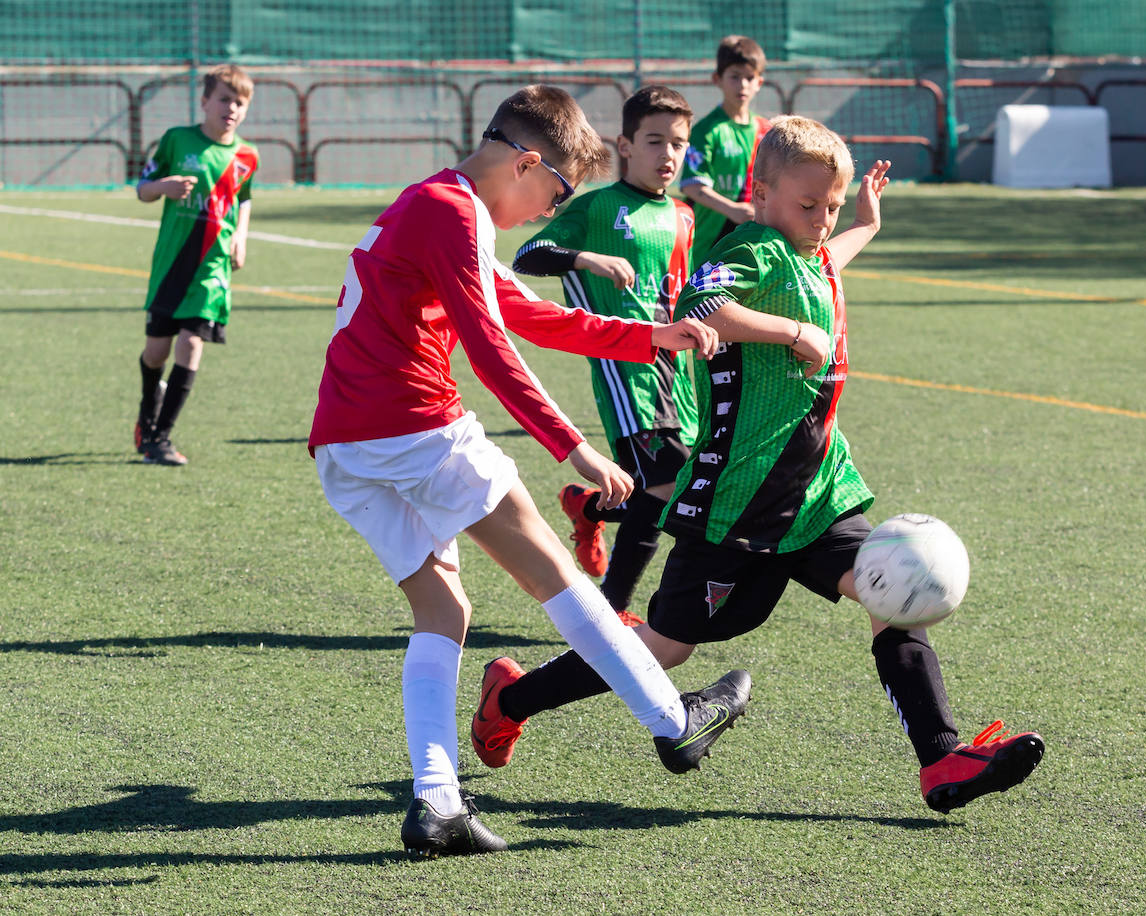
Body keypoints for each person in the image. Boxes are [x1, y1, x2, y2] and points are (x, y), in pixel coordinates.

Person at [472, 116, 1045, 815]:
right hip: (736, 504)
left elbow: (833, 254)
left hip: (816, 494)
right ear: (762, 190)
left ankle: (942, 760)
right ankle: (513, 697)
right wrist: (791, 330)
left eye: (830, 207)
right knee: (667, 646)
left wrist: (865, 221)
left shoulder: (812, 249)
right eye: (809, 206)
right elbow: (702, 302)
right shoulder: (758, 248)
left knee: (891, 595)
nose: (822, 221)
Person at [308, 85, 751, 858]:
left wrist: (654, 336)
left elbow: (534, 315)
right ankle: (674, 726)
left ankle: (438, 804)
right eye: (557, 189)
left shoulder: (442, 205)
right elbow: (489, 345)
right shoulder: (452, 213)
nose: (553, 208)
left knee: (444, 613)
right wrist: (571, 445)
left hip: (346, 446)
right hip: (414, 428)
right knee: (561, 578)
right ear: (526, 161)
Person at [511, 85, 696, 626]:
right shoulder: (597, 207)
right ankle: (608, 613)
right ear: (626, 145)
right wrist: (586, 258)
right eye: (655, 141)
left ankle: (589, 507)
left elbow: (683, 290)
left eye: (678, 144)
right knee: (666, 485)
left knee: (672, 490)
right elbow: (528, 254)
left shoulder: (683, 216)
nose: (667, 154)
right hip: (625, 372)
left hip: (676, 372)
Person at [133, 64, 258, 466]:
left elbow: (244, 199)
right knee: (156, 353)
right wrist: (164, 187)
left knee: (190, 343)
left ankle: (161, 439)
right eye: (224, 99)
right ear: (205, 102)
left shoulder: (247, 155)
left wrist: (240, 236)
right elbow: (143, 188)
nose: (231, 109)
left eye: (240, 103)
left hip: (212, 268)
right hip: (172, 264)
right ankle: (146, 417)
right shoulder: (176, 140)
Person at [679, 34, 771, 270]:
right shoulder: (707, 130)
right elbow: (692, 185)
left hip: (752, 238)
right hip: (708, 239)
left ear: (759, 82)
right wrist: (733, 210)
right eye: (734, 77)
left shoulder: (766, 130)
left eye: (750, 78)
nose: (742, 85)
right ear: (717, 79)